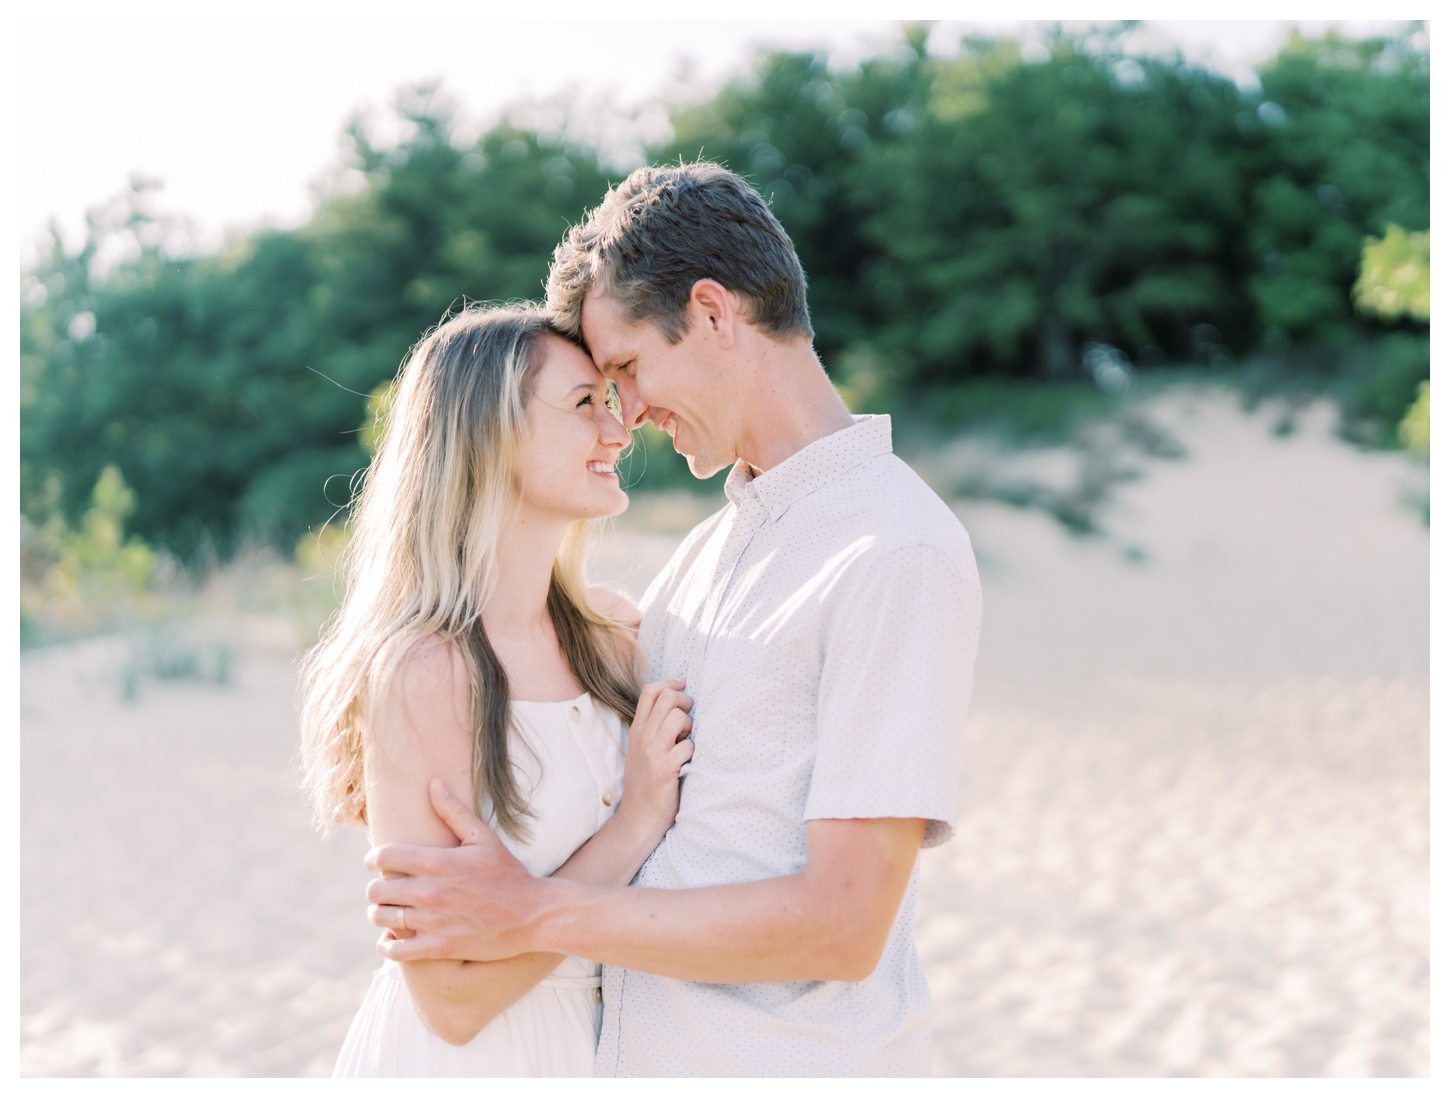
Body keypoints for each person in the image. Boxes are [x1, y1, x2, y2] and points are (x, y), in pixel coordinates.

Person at [365, 162, 984, 1077]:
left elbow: (847, 923)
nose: (630, 413)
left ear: (712, 312)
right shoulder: (698, 562)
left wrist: (534, 912)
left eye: (625, 370)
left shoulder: (894, 551)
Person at [297, 305, 697, 1076]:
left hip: (600, 1049)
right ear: (490, 435)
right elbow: (451, 1002)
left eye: (610, 405)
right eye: (585, 405)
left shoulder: (617, 638)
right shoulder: (425, 672)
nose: (618, 432)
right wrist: (636, 820)